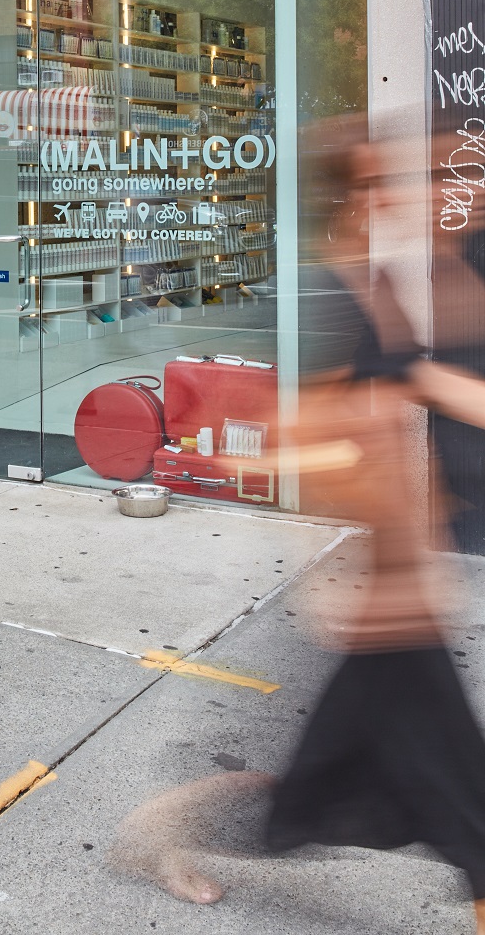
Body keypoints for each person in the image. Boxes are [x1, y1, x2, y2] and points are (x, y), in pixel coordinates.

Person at [109, 117, 485, 931]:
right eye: (381, 183)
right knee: (430, 793)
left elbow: (426, 379)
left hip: (399, 582)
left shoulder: (379, 281)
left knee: (356, 784)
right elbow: (288, 440)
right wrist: (354, 544)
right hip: (375, 588)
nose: (400, 194)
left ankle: (162, 829)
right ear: (350, 199)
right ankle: (160, 830)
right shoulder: (323, 292)